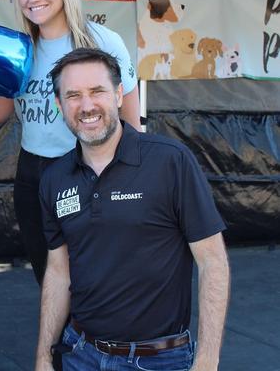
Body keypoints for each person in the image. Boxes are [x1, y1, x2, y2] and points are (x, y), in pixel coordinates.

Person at [0, 0, 141, 285]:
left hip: (90, 172)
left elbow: (133, 123)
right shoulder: (18, 51)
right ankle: (61, 340)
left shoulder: (102, 42)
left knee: (95, 277)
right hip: (33, 174)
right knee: (50, 278)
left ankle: (93, 339)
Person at [36, 47, 230, 371]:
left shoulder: (170, 161)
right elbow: (58, 271)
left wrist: (207, 361)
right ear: (59, 105)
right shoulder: (54, 179)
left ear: (117, 94)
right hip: (80, 354)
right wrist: (43, 356)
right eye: (73, 95)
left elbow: (212, 261)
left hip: (159, 360)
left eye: (97, 91)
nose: (86, 106)